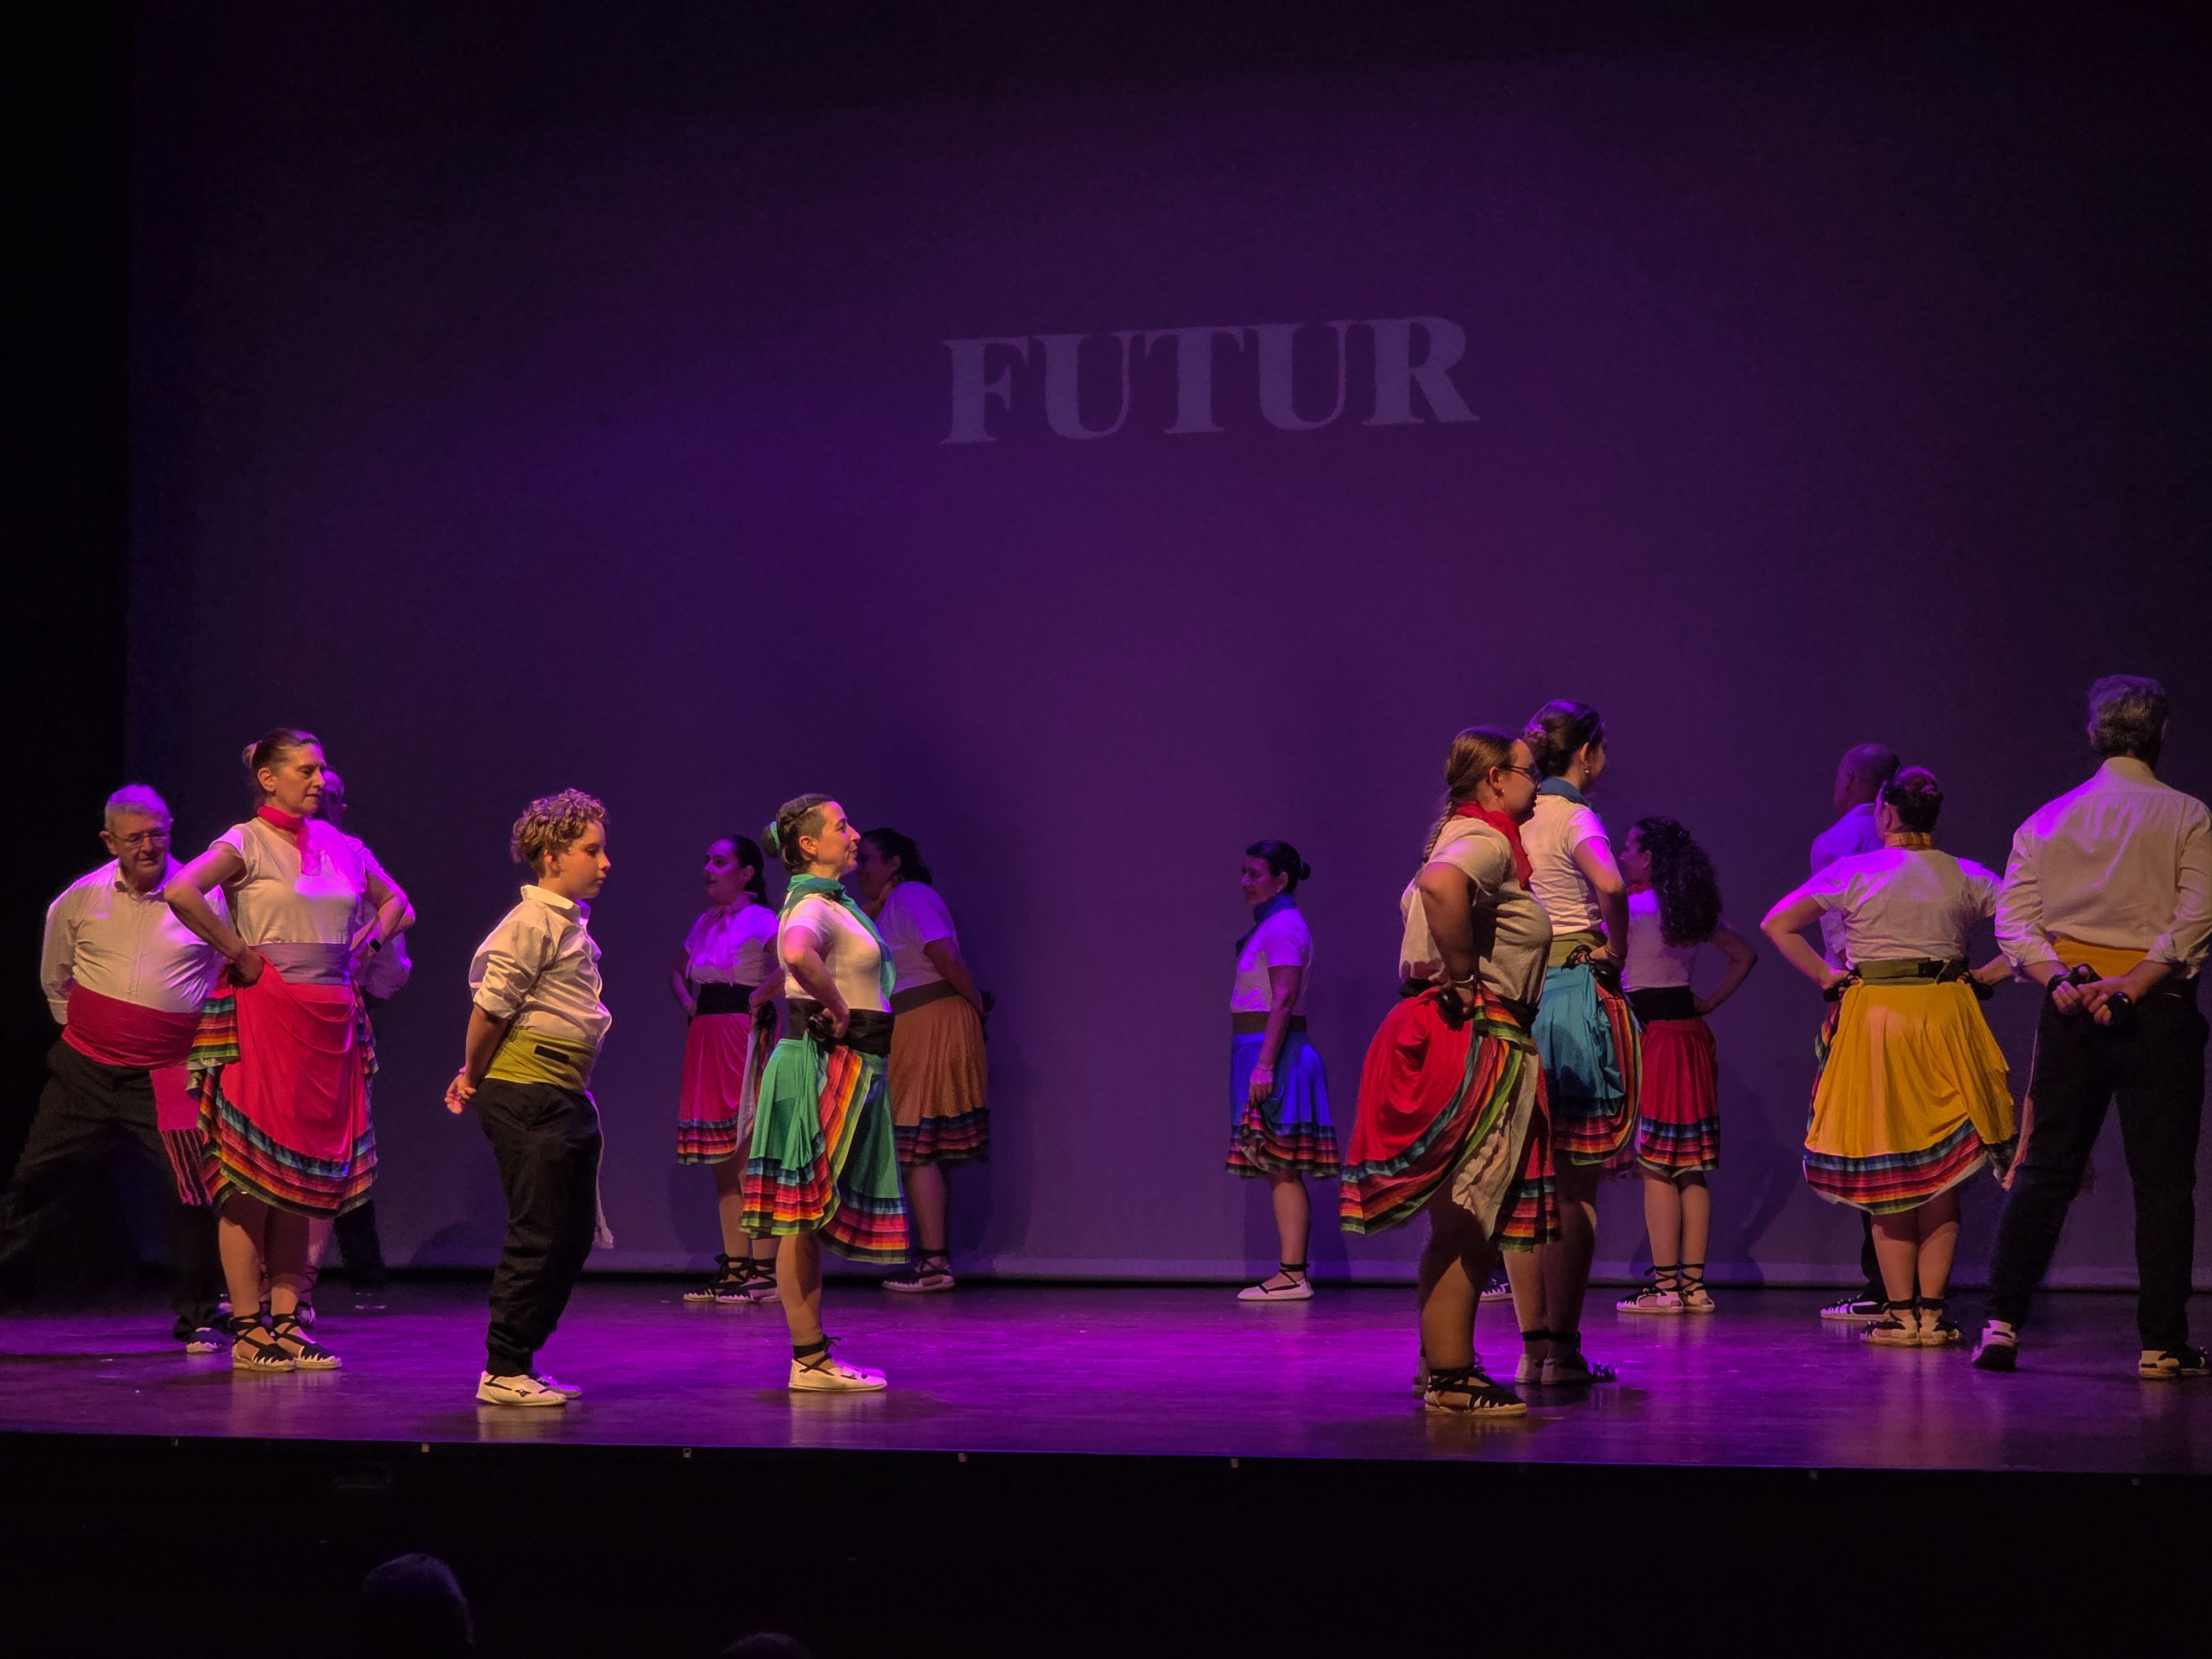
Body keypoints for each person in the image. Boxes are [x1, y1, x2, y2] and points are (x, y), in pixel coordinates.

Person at [1977, 676, 2211, 1379]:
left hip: (2072, 1009)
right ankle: (2160, 1343)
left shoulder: (2046, 820)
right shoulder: (2186, 815)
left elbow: (2013, 922)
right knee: (2162, 1181)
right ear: (2161, 735)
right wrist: (2133, 986)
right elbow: (2198, 912)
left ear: (2094, 736)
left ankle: (2000, 1324)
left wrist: (2061, 982)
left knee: (2045, 1170)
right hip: (2157, 1011)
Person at [165, 730, 410, 1373]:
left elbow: (397, 903)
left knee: (303, 1180)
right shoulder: (246, 840)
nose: (317, 779)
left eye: (321, 769)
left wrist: (369, 945)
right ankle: (247, 1329)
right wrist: (240, 953)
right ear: (269, 779)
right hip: (265, 1012)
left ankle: (287, 1319)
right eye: (304, 769)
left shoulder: (341, 845)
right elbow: (182, 891)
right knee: (250, 1178)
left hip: (329, 1017)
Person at [1339, 728, 1557, 1415]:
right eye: (1529, 775)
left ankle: (1440, 1360)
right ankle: (1452, 1378)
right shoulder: (1483, 841)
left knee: (1462, 1216)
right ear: (1495, 779)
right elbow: (1441, 888)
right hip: (1477, 1034)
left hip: (1446, 1029)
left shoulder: (1460, 837)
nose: (1537, 787)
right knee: (1470, 1217)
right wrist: (1464, 976)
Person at [1761, 768, 2013, 1347]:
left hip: (1875, 1022)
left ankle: (1901, 1314)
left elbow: (1777, 923)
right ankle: (1932, 1313)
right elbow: (2033, 930)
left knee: (1889, 1172)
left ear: (1886, 815)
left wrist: (1827, 974)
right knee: (1941, 1178)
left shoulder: (1853, 872)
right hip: (1946, 1017)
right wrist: (1986, 975)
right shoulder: (1966, 875)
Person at [0, 786, 226, 1349]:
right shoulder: (79, 901)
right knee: (33, 1185)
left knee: (192, 1192)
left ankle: (199, 1314)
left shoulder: (204, 897)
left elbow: (224, 973)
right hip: (86, 1074)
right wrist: (103, 1035)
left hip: (167, 1076)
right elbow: (57, 980)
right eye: (135, 838)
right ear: (110, 841)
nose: (149, 846)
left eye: (158, 833)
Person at [445, 790, 614, 1406]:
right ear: (550, 856)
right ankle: (503, 1367)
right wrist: (472, 1072)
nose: (604, 863)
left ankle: (522, 1359)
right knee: (538, 1231)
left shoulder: (566, 924)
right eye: (591, 851)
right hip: (529, 1092)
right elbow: (491, 1009)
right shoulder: (531, 924)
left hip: (561, 1092)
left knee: (571, 1238)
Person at [742, 795, 907, 1391]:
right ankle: (809, 1360)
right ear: (809, 845)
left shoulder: (826, 904)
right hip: (825, 1062)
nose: (854, 834)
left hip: (852, 1062)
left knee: (805, 1218)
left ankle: (809, 1356)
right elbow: (794, 951)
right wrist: (835, 1006)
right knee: (800, 1219)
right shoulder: (812, 904)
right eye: (841, 826)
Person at [1509, 700, 1632, 1385]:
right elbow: (1611, 884)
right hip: (1570, 994)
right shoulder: (1572, 815)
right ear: (1586, 752)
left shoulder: (1513, 816)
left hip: (1516, 998)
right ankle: (1563, 1348)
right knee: (1575, 1181)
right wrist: (1616, 949)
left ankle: (1532, 1352)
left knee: (1525, 1182)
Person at [1613, 818, 1757, 1314]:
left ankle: (1667, 1288)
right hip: (1691, 1040)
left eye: (1631, 848)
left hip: (1654, 1039)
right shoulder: (1689, 912)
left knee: (1656, 1167)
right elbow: (1744, 955)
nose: (1623, 855)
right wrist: (1710, 1002)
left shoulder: (1631, 910)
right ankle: (1694, 1287)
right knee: (1691, 1168)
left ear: (1649, 858)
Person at [853, 827, 989, 1293]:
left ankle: (934, 1263)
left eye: (868, 858)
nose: (860, 868)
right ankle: (933, 1259)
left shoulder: (912, 895)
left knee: (919, 1144)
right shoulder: (891, 906)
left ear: (895, 863)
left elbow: (944, 954)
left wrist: (974, 1004)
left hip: (933, 1018)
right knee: (919, 1144)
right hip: (915, 1021)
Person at [300, 765, 410, 1317]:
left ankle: (343, 1273)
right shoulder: (268, 849)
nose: (321, 804)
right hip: (282, 1010)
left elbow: (394, 941)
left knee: (341, 1143)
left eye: (332, 798)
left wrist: (357, 977)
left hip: (342, 1012)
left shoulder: (350, 857)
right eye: (315, 792)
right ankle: (269, 1281)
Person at [1223, 838, 1338, 1302]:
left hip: (1275, 1051)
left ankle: (1293, 1273)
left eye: (1254, 874)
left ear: (1281, 880)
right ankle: (1291, 1271)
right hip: (1261, 1049)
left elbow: (1283, 997)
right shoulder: (1274, 926)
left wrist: (1265, 1064)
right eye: (1245, 873)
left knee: (1282, 1165)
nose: (1245, 883)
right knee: (1276, 1165)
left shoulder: (1283, 927)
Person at [1809, 743, 1901, 1322]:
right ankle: (1909, 1286)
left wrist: (1836, 980)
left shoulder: (1835, 842)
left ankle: (1882, 1284)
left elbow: (1831, 923)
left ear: (1849, 781)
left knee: (1867, 1135)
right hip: (1918, 1001)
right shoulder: (1919, 850)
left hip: (1860, 995)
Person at [673, 834, 782, 1306]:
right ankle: (736, 1267)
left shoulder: (764, 920)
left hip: (744, 1030)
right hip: (709, 1033)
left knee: (751, 1151)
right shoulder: (704, 923)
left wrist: (760, 998)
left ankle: (767, 1271)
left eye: (720, 861)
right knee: (722, 1158)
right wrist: (688, 1005)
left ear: (746, 873)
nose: (709, 868)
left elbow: (791, 966)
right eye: (707, 859)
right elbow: (678, 971)